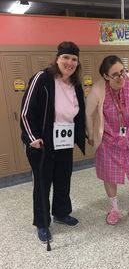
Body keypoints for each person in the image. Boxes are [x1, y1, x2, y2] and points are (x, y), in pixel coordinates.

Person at [20, 41, 86, 243]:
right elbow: (25, 112)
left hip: (64, 141)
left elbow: (79, 114)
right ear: (57, 59)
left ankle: (61, 212)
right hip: (43, 143)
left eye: (74, 59)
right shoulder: (43, 78)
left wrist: (84, 135)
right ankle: (42, 222)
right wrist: (32, 138)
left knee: (63, 179)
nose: (70, 62)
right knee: (42, 184)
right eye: (66, 57)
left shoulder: (75, 85)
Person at [86, 55, 129, 226]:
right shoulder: (97, 89)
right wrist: (90, 134)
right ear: (105, 76)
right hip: (108, 140)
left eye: (122, 72)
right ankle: (114, 209)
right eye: (115, 75)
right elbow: (88, 113)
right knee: (109, 177)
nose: (121, 77)